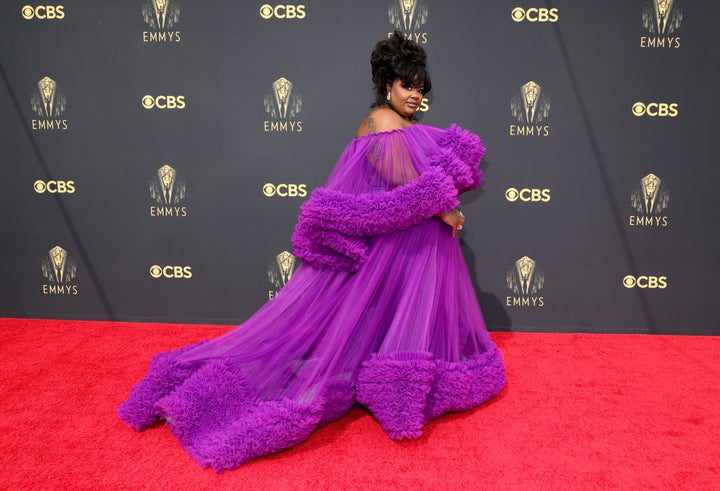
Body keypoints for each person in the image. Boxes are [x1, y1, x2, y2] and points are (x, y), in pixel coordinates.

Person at [117, 31, 506, 472]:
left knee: (388, 322)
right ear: (387, 85)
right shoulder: (381, 122)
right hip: (398, 249)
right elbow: (402, 183)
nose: (415, 94)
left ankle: (392, 383)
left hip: (407, 250)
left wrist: (439, 207)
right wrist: (446, 211)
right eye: (407, 84)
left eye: (420, 86)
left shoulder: (404, 126)